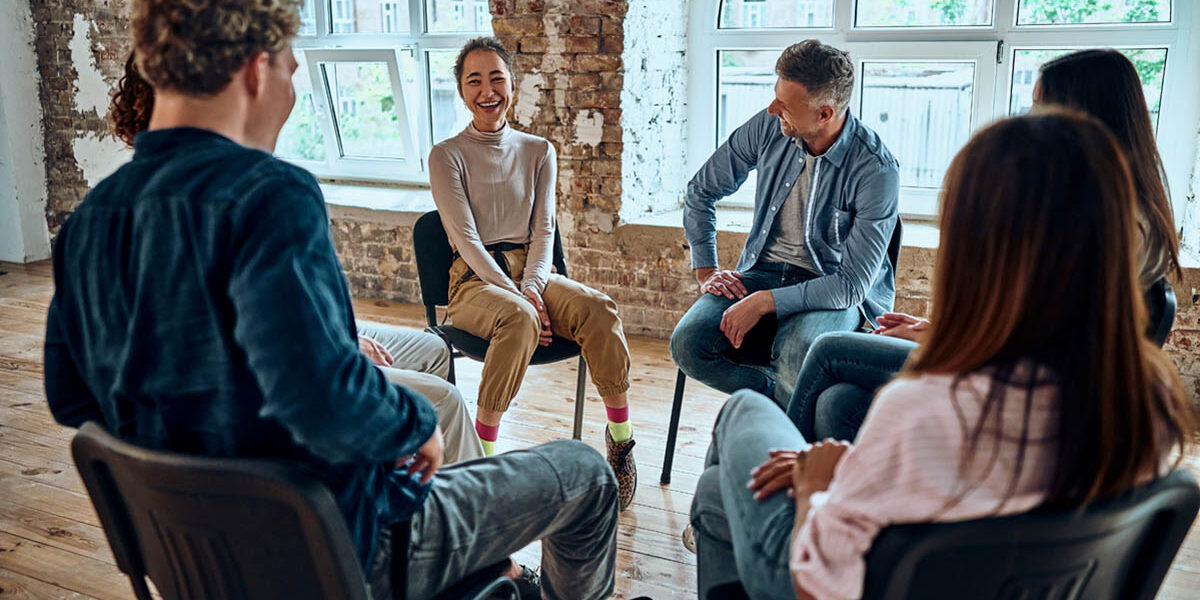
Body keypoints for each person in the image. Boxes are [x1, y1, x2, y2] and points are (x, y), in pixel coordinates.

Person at [47, 3, 620, 599]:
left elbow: (70, 398)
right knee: (585, 474)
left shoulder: (91, 220)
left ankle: (492, 576)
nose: (292, 87)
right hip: (342, 548)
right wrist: (413, 423)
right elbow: (319, 395)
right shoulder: (269, 196)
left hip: (194, 560)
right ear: (253, 67)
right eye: (291, 70)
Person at [689, 110, 1196, 600]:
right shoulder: (1147, 405)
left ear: (974, 251)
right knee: (820, 417)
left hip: (824, 579)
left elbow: (816, 585)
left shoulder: (924, 409)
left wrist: (817, 487)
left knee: (735, 439)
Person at [787, 48, 1185, 444]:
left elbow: (1044, 344)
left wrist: (942, 343)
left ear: (1082, 117)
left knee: (828, 350)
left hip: (1021, 387)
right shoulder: (1106, 206)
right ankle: (840, 493)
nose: (1028, 120)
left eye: (1040, 107)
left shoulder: (1114, 226)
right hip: (1011, 368)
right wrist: (937, 329)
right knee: (838, 403)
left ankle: (794, 479)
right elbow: (1030, 319)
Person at [109, 49, 483, 464]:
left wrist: (336, 339)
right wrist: (337, 350)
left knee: (430, 351)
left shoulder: (124, 203)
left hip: (278, 356)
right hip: (273, 390)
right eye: (281, 58)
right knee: (442, 402)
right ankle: (436, 509)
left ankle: (405, 483)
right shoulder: (259, 196)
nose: (293, 66)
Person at [428, 37, 638, 509]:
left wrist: (534, 289)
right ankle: (481, 459)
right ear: (462, 92)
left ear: (512, 84)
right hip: (475, 282)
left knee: (599, 309)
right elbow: (466, 240)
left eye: (496, 77)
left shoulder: (539, 149)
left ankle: (620, 442)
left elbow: (545, 231)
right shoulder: (447, 155)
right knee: (517, 319)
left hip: (533, 272)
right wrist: (522, 299)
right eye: (474, 80)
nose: (487, 90)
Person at [670, 40, 900, 407]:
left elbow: (852, 287)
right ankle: (779, 407)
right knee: (688, 345)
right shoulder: (769, 126)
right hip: (761, 270)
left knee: (798, 352)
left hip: (830, 287)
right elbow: (701, 191)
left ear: (824, 114)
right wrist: (706, 271)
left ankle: (779, 446)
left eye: (785, 105)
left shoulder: (876, 169)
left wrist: (765, 302)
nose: (772, 107)